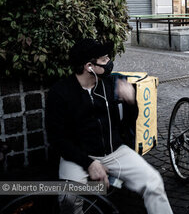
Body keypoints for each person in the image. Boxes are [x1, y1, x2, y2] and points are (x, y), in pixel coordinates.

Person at [46, 38, 173, 214]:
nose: (109, 63)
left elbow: (127, 123)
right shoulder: (60, 93)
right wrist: (89, 163)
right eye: (104, 59)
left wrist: (130, 101)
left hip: (114, 152)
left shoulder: (109, 84)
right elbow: (57, 138)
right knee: (68, 197)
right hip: (78, 155)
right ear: (89, 66)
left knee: (154, 181)